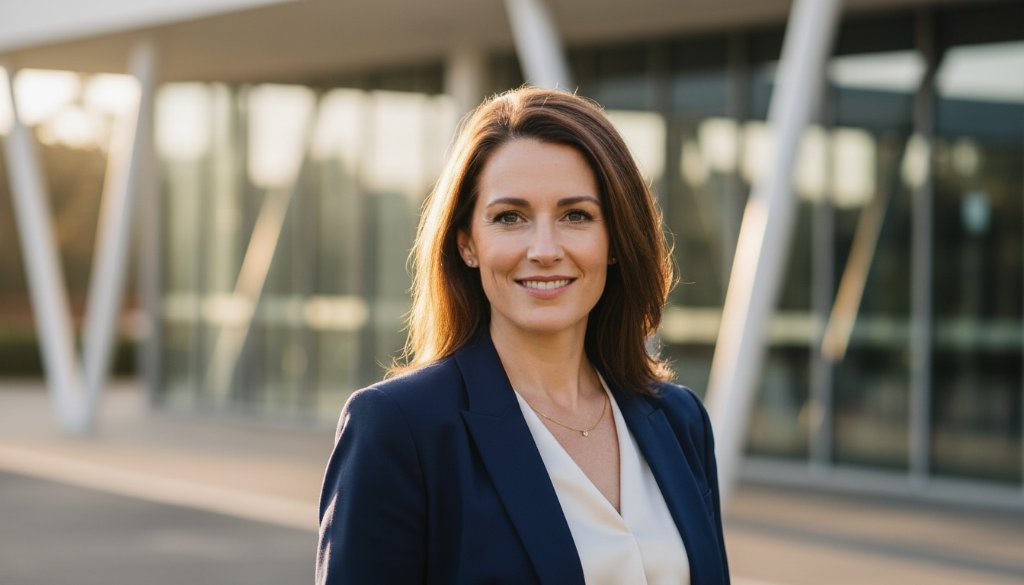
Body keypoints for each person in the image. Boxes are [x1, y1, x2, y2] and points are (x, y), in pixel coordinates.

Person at [316, 86, 729, 585]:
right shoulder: (400, 429)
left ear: (615, 240)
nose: (545, 249)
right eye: (510, 217)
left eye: (576, 215)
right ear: (467, 242)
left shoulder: (678, 420)